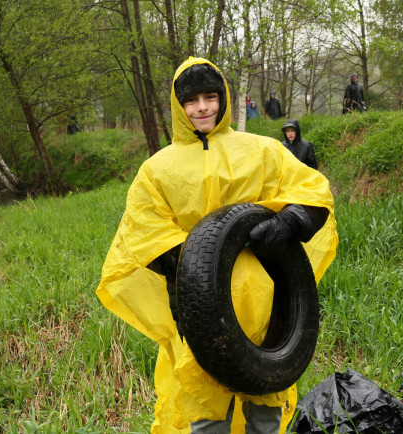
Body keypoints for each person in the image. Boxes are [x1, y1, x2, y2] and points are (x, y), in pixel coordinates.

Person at [96, 57, 338, 433]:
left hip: (264, 298)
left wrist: (287, 223)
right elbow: (142, 227)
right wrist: (189, 261)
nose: (202, 107)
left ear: (224, 98)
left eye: (210, 96)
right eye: (191, 101)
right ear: (179, 107)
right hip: (197, 303)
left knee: (264, 400)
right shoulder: (157, 169)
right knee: (206, 405)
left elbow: (312, 189)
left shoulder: (261, 151)